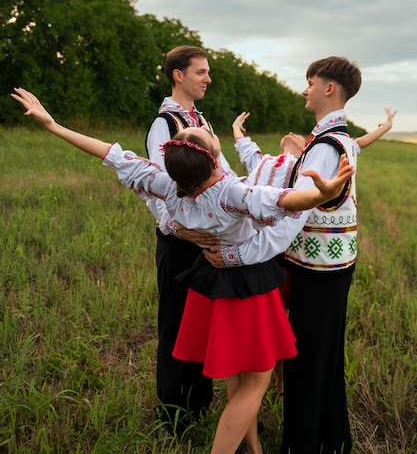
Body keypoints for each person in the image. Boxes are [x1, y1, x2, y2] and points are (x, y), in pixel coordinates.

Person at [11, 86, 354, 454]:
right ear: (212, 156)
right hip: (248, 285)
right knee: (255, 383)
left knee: (236, 376)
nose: (202, 128)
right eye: (203, 133)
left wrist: (54, 125)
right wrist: (322, 194)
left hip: (211, 284)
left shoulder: (169, 187)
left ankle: (253, 448)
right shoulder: (231, 193)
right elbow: (288, 200)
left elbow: (109, 153)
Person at [204, 56, 363, 454]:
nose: (305, 89)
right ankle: (329, 437)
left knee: (309, 361)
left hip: (318, 269)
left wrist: (236, 255)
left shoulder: (326, 147)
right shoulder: (335, 140)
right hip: (330, 263)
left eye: (311, 82)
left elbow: (292, 221)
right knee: (322, 356)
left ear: (329, 88)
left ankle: (304, 443)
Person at [231, 106, 397, 393]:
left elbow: (356, 144)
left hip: (290, 253)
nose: (292, 134)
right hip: (273, 253)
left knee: (289, 319)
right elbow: (245, 148)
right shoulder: (268, 162)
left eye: (297, 136)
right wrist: (236, 127)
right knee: (277, 319)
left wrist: (385, 127)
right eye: (290, 134)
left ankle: (281, 381)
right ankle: (267, 379)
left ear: (306, 149)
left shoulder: (310, 165)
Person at [144, 45, 233, 431]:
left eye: (208, 72)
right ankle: (171, 415)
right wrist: (178, 227)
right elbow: (154, 186)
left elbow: (223, 173)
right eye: (201, 72)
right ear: (178, 75)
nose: (208, 78)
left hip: (206, 243)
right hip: (179, 242)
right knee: (175, 324)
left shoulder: (203, 121)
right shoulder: (165, 124)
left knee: (202, 325)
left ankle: (198, 403)